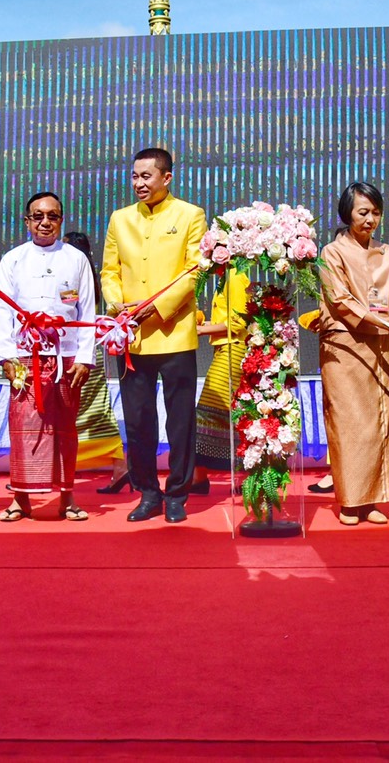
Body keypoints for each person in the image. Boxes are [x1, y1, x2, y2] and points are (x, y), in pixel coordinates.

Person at [100, 147, 205, 524]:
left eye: (146, 176)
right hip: (131, 336)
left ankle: (178, 493)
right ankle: (147, 492)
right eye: (134, 176)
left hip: (174, 333)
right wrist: (119, 306)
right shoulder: (120, 218)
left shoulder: (191, 215)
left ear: (166, 177)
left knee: (180, 422)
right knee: (138, 419)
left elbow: (195, 271)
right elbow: (109, 271)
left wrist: (157, 308)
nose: (138, 183)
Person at [0, 192, 96, 522]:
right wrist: (7, 355)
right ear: (27, 221)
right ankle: (20, 500)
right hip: (25, 357)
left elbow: (88, 310)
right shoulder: (13, 259)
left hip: (66, 357)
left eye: (52, 216)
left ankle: (67, 498)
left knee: (66, 428)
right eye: (38, 216)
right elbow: (2, 310)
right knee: (24, 427)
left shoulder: (76, 259)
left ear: (61, 220)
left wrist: (84, 357)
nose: (45, 222)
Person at [317, 182, 389, 525]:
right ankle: (349, 500)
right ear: (348, 213)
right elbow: (339, 301)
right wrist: (384, 321)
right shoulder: (331, 252)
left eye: (375, 212)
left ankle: (373, 498)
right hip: (344, 346)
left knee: (379, 420)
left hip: (381, 343)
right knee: (349, 423)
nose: (370, 218)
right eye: (363, 212)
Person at [62, 231, 129, 490]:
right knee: (92, 410)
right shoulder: (89, 273)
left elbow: (67, 306)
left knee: (87, 410)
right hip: (83, 346)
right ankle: (119, 466)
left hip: (79, 348)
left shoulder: (77, 275)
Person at [191, 266, 250, 490]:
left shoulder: (234, 277)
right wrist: (202, 326)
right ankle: (200, 476)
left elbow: (237, 323)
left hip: (234, 350)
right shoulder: (225, 278)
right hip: (227, 348)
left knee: (213, 411)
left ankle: (240, 475)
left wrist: (200, 330)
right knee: (223, 413)